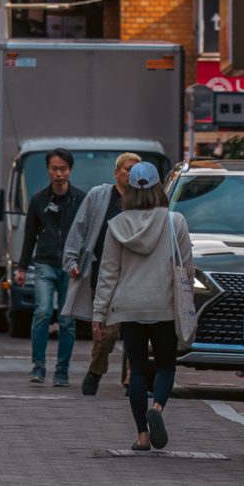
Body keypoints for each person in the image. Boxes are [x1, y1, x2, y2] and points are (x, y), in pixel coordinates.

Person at [91, 161, 196, 454]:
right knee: (165, 365)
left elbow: (108, 272)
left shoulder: (117, 225)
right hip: (164, 304)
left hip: (129, 306)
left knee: (136, 370)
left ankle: (142, 436)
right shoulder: (175, 222)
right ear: (158, 187)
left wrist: (99, 314)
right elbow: (186, 269)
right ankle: (158, 408)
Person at [63, 151, 139, 395]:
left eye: (136, 170)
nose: (131, 174)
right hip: (104, 272)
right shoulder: (98, 196)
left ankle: (132, 377)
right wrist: (72, 260)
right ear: (116, 172)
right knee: (106, 332)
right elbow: (80, 227)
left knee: (135, 330)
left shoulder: (145, 200)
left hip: (136, 274)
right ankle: (96, 370)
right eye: (128, 169)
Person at [19, 147, 82, 387]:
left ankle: (62, 370)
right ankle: (38, 366)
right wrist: (22, 267)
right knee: (42, 312)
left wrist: (83, 263)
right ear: (48, 170)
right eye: (55, 169)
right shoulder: (38, 200)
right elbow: (29, 236)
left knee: (67, 320)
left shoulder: (81, 200)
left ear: (70, 170)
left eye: (63, 169)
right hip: (44, 263)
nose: (59, 174)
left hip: (70, 265)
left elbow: (86, 233)